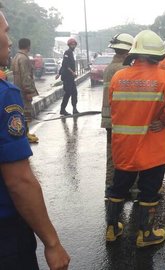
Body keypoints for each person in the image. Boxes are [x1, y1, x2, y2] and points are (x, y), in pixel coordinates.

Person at [0, 4, 70, 270]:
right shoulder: (4, 95)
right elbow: (19, 181)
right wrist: (52, 243)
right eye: (5, 31)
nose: (8, 39)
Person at [105, 30, 165, 248]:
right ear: (159, 55)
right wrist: (164, 119)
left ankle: (112, 230)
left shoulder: (118, 77)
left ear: (135, 53)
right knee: (149, 190)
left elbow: (113, 106)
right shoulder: (164, 78)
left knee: (118, 188)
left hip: (124, 146)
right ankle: (146, 234)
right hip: (151, 146)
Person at [101, 33, 134, 188]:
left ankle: (110, 185)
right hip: (122, 120)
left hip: (108, 120)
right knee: (128, 153)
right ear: (128, 51)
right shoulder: (125, 70)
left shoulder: (109, 68)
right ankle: (129, 187)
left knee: (111, 153)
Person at [11, 38, 39, 143]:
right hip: (23, 90)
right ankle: (26, 134)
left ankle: (26, 132)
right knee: (26, 112)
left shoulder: (15, 57)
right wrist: (29, 91)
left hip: (17, 88)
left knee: (21, 112)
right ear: (28, 46)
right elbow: (26, 76)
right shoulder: (24, 58)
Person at [55, 38, 78, 116]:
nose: (73, 46)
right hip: (67, 77)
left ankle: (74, 109)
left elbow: (63, 65)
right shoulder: (67, 52)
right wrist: (73, 72)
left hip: (71, 78)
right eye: (72, 44)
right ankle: (62, 109)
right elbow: (66, 65)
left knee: (74, 93)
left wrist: (59, 73)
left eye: (74, 44)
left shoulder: (71, 53)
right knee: (68, 93)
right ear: (69, 45)